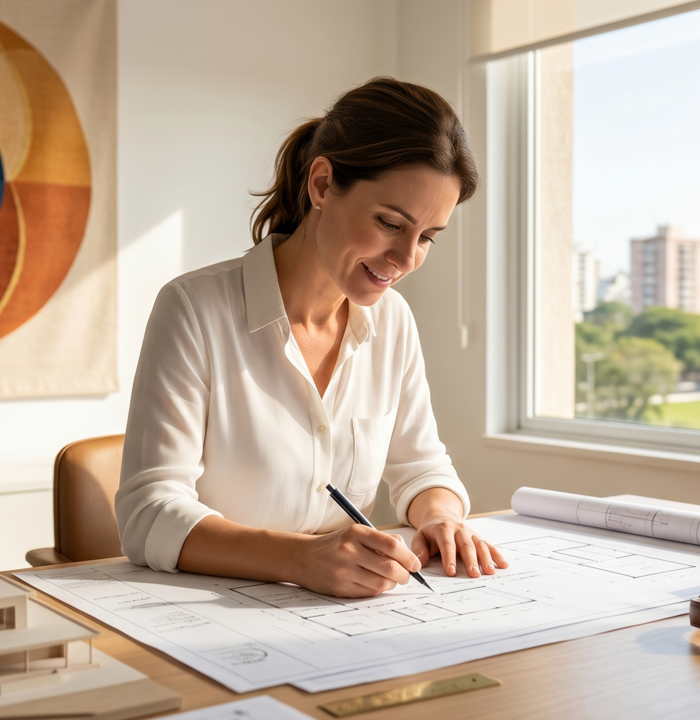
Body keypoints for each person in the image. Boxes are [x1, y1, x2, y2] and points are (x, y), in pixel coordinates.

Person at [116, 77, 508, 598]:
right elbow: (149, 512)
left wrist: (440, 515)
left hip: (343, 617)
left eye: (427, 238)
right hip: (213, 614)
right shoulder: (194, 308)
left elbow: (421, 465)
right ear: (322, 184)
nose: (406, 258)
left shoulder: (392, 321)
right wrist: (302, 559)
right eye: (391, 223)